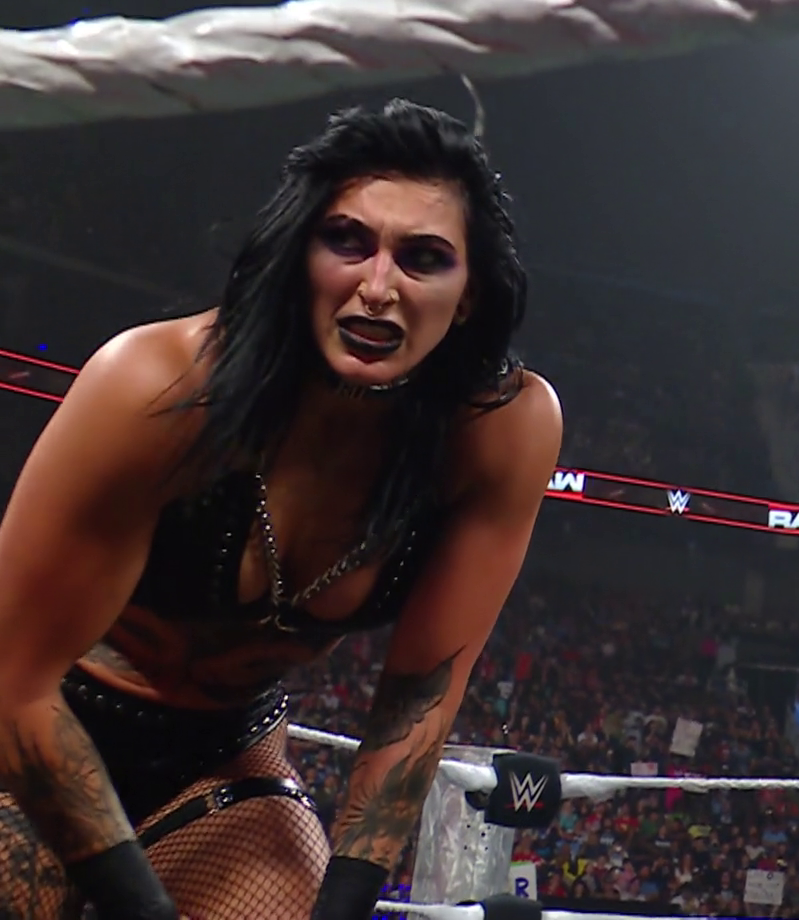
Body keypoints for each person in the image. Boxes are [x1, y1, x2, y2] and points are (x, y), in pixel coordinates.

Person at [0, 99, 563, 920]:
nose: (377, 288)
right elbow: (14, 681)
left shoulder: (499, 431)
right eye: (348, 242)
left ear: (468, 293)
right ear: (300, 253)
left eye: (423, 258)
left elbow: (417, 702)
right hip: (41, 719)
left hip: (223, 756)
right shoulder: (157, 385)